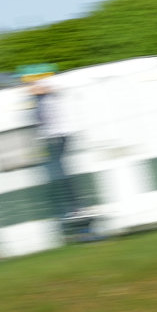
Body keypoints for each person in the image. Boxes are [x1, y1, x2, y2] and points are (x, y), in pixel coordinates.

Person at [28, 77, 94, 240]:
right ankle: (75, 207)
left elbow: (52, 91)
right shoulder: (41, 100)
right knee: (60, 173)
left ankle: (76, 206)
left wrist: (38, 90)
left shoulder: (50, 97)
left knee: (61, 173)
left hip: (59, 137)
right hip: (55, 138)